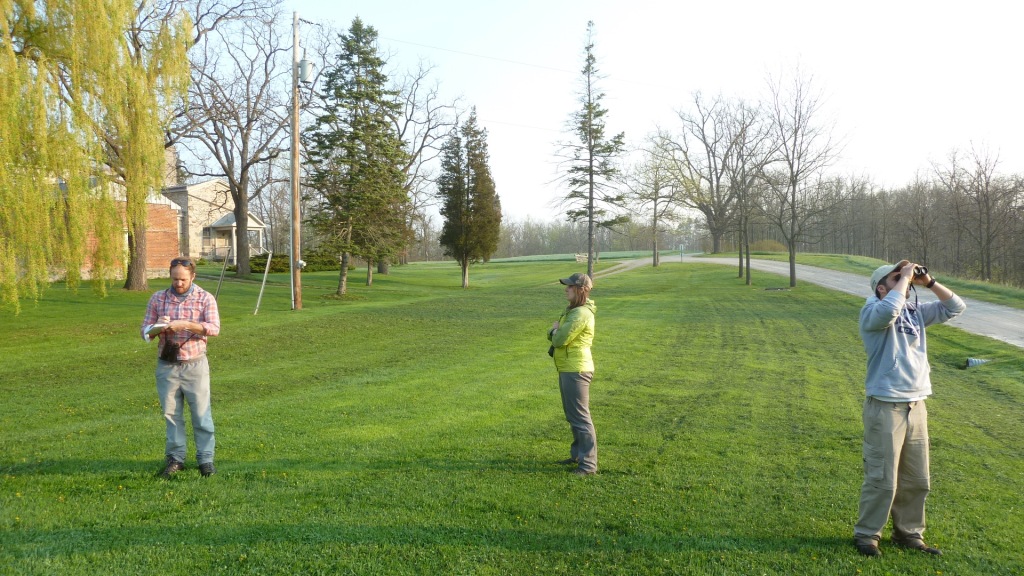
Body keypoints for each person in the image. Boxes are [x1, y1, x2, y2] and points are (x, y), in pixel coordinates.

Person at [854, 260, 965, 557]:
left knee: (917, 478)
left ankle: (909, 533)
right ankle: (867, 535)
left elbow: (955, 307)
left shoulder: (915, 310)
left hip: (917, 404)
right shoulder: (872, 310)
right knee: (882, 478)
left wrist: (929, 282)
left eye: (904, 275)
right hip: (885, 404)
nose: (905, 279)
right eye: (895, 277)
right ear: (881, 288)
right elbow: (888, 311)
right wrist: (904, 278)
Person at [142, 258, 221, 478]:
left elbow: (214, 328)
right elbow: (145, 331)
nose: (178, 283)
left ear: (193, 276)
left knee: (201, 414)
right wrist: (158, 327)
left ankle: (206, 460)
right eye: (175, 278)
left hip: (195, 364)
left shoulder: (205, 298)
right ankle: (175, 459)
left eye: (183, 279)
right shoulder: (158, 298)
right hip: (167, 365)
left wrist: (185, 324)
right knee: (171, 415)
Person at [547, 272, 598, 476]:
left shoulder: (580, 314)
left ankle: (588, 465)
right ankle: (578, 455)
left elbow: (559, 339)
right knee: (573, 415)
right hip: (568, 367)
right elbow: (559, 335)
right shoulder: (574, 311)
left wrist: (553, 331)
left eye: (569, 286)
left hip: (576, 370)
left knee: (580, 417)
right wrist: (555, 332)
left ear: (581, 290)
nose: (566, 289)